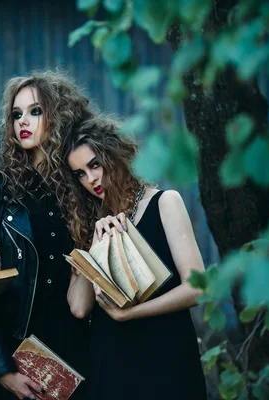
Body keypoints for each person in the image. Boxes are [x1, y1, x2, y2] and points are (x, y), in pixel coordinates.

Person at [0, 70, 96, 400]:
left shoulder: (83, 185)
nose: (22, 121)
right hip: (24, 351)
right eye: (16, 114)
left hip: (85, 344)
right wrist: (2, 369)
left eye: (35, 111)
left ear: (60, 116)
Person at [62, 117, 207, 400]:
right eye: (79, 173)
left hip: (167, 359)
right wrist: (93, 242)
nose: (90, 180)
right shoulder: (88, 223)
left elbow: (198, 288)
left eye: (94, 165)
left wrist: (128, 314)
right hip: (113, 366)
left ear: (115, 155)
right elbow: (79, 307)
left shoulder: (165, 203)